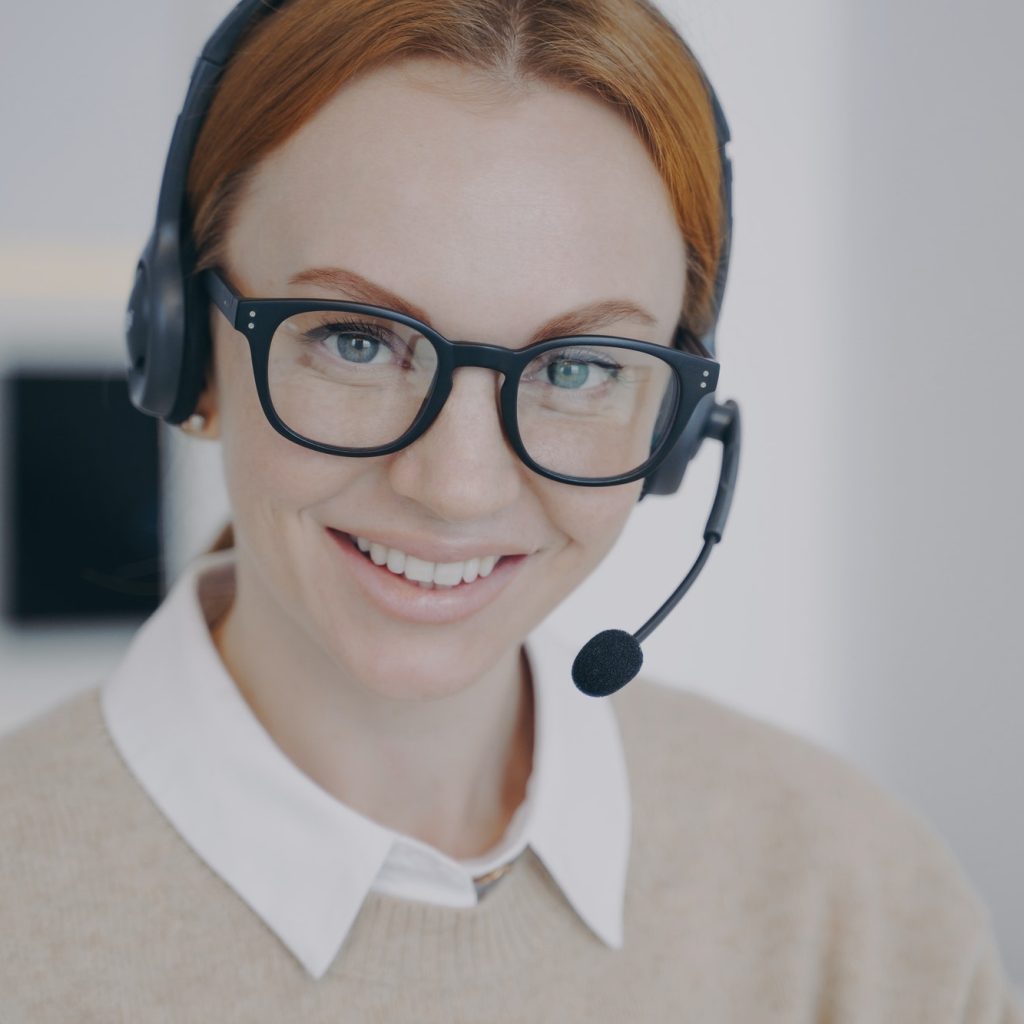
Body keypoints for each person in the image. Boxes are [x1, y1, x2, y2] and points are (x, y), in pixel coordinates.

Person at [1, 0, 1020, 1019]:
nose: (456, 486)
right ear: (184, 350)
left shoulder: (855, 903)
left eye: (576, 366)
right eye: (357, 340)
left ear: (672, 430)